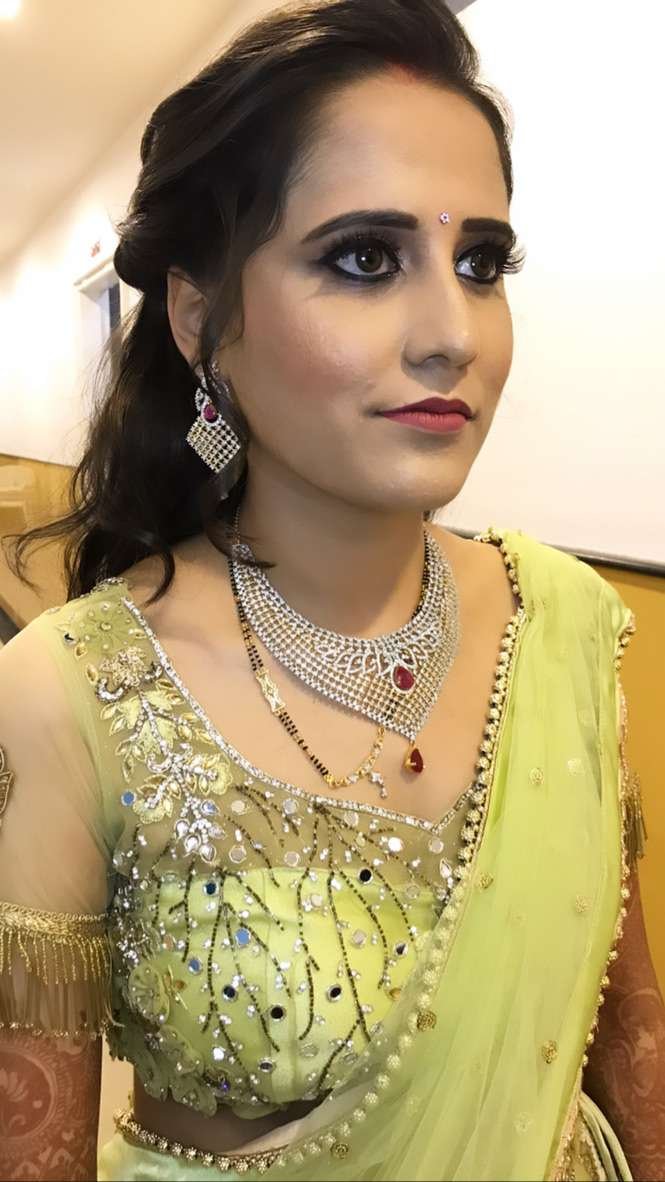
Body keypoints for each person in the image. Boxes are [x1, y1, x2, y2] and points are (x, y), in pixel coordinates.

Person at [1, 1, 663, 1178]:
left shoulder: (560, 626)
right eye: (363, 258)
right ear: (200, 318)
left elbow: (629, 1046)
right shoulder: (70, 693)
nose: (452, 335)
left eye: (479, 263)